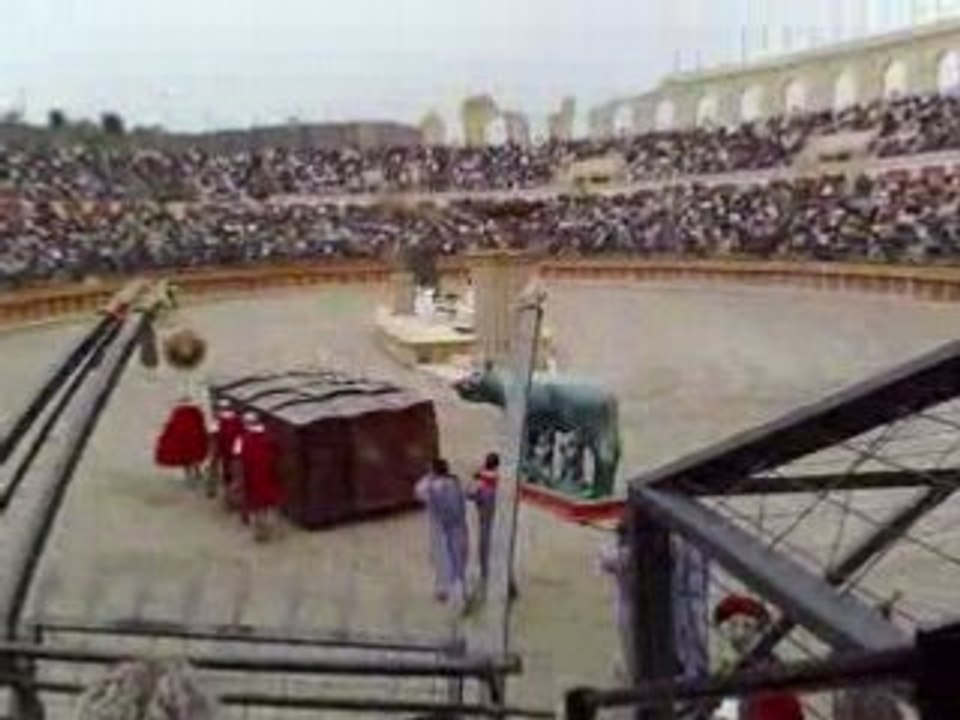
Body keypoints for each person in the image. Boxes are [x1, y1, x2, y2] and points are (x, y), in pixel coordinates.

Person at [415, 458, 469, 605]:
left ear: (433, 471)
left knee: (443, 559)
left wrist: (429, 477)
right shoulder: (456, 482)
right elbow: (467, 494)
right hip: (459, 526)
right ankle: (460, 591)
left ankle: (444, 591)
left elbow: (419, 491)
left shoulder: (431, 487)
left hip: (441, 528)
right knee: (458, 558)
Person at [234, 411, 284, 542]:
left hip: (253, 477)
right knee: (271, 503)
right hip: (270, 475)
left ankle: (261, 532)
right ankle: (274, 530)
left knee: (258, 506)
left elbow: (238, 460)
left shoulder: (242, 439)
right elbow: (278, 454)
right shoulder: (270, 436)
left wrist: (239, 479)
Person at [598, 521, 633, 682]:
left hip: (625, 606)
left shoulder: (620, 556)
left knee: (628, 642)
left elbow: (603, 561)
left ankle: (630, 671)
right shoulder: (631, 554)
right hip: (644, 604)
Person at [154, 397, 210, 487]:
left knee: (185, 459)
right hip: (194, 437)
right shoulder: (195, 411)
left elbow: (171, 424)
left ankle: (190, 476)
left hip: (181, 439)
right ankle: (197, 473)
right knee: (194, 457)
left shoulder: (178, 412)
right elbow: (201, 423)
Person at [209, 399, 243, 504]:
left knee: (226, 474)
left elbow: (213, 436)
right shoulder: (238, 420)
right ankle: (233, 496)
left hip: (224, 453)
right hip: (237, 453)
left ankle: (228, 496)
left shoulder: (218, 421)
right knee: (237, 475)